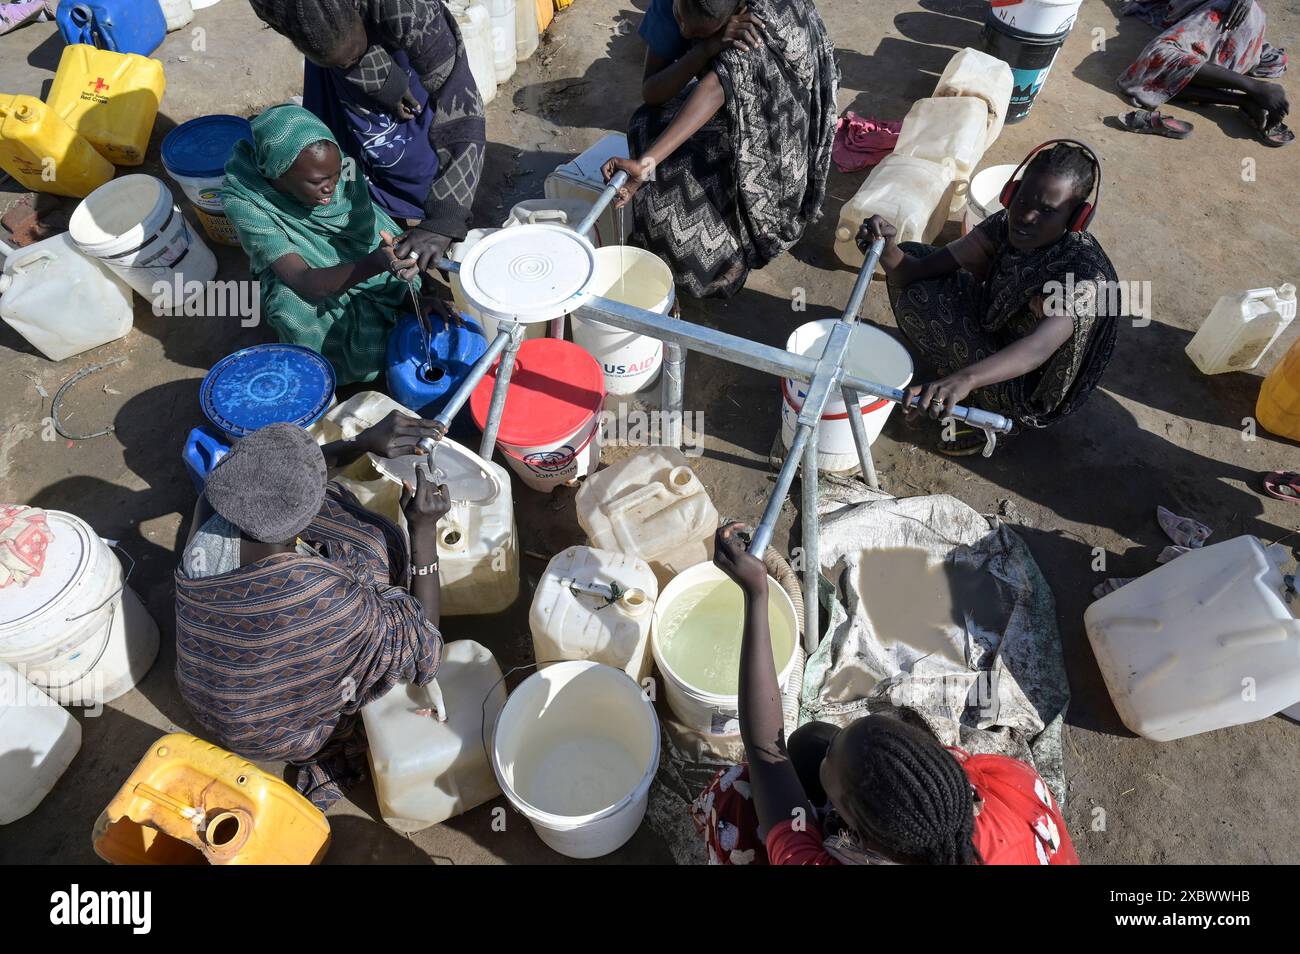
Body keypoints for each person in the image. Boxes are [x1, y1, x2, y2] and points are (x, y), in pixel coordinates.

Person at [692, 523, 1080, 865]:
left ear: (858, 837)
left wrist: (756, 595)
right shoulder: (1009, 785)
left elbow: (764, 752)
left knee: (739, 804)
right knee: (811, 743)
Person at [174, 417, 450, 809]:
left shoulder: (209, 515)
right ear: (300, 520)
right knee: (381, 543)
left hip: (208, 697)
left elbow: (276, 481)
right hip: (278, 732)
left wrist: (361, 443)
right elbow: (425, 648)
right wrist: (423, 530)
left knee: (359, 535)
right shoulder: (324, 601)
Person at [858, 142, 1119, 455]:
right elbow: (916, 270)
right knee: (914, 256)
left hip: (1028, 383)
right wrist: (886, 249)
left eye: (1047, 211)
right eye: (1022, 200)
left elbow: (1037, 349)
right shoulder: (1006, 222)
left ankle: (996, 417)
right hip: (998, 329)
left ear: (1076, 218)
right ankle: (962, 381)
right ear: (1011, 193)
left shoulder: (1085, 278)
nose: (1026, 217)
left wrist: (966, 379)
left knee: (977, 378)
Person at [601, 0, 837, 299]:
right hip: (750, 103)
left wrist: (646, 165)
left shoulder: (755, 31)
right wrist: (705, 47)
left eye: (695, 30)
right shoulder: (670, 7)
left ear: (736, 14)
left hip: (782, 133)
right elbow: (653, 91)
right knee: (647, 122)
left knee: (674, 163)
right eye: (680, 18)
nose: (682, 30)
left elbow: (713, 90)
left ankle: (721, 263)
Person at [249, 0, 487, 267]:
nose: (349, 61)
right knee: (358, 152)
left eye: (352, 54)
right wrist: (378, 79)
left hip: (391, 33)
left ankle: (431, 226)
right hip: (337, 43)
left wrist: (445, 220)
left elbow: (461, 103)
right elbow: (334, 44)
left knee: (414, 155)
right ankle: (385, 230)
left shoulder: (409, 11)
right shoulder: (279, 8)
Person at [221, 105, 422, 385]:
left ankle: (398, 314)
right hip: (308, 275)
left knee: (411, 285)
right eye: (318, 181)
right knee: (291, 307)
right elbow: (305, 282)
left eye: (336, 173)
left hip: (359, 259)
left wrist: (398, 263)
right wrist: (376, 262)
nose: (332, 187)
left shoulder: (342, 172)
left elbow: (366, 231)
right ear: (279, 174)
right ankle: (330, 374)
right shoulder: (244, 200)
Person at [1116, 0, 1290, 146]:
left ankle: (1253, 89)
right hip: (1241, 20)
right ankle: (1244, 97)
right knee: (1160, 76)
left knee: (1155, 65)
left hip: (1228, 11)